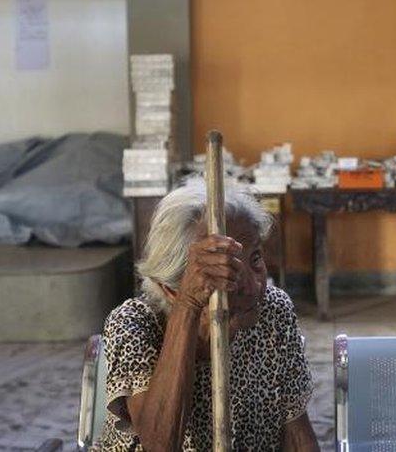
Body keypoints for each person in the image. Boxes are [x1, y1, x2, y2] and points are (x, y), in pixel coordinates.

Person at [95, 179, 319, 451]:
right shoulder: (133, 323)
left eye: (255, 259)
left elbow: (296, 432)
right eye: (226, 272)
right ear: (171, 289)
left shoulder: (272, 310)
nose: (253, 286)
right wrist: (187, 307)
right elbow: (160, 445)